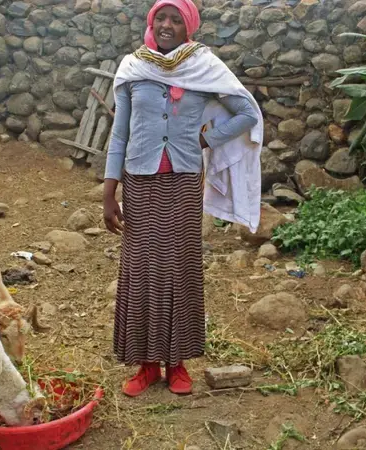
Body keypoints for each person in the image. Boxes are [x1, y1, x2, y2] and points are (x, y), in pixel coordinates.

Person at [103, 0, 263, 397]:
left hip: (184, 180)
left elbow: (246, 112)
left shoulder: (202, 67)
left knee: (179, 266)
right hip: (139, 181)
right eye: (161, 18)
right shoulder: (133, 68)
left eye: (176, 20)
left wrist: (206, 139)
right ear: (151, 22)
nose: (167, 25)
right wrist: (109, 191)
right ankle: (145, 365)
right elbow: (119, 133)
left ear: (188, 26)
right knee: (141, 268)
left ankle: (176, 364)